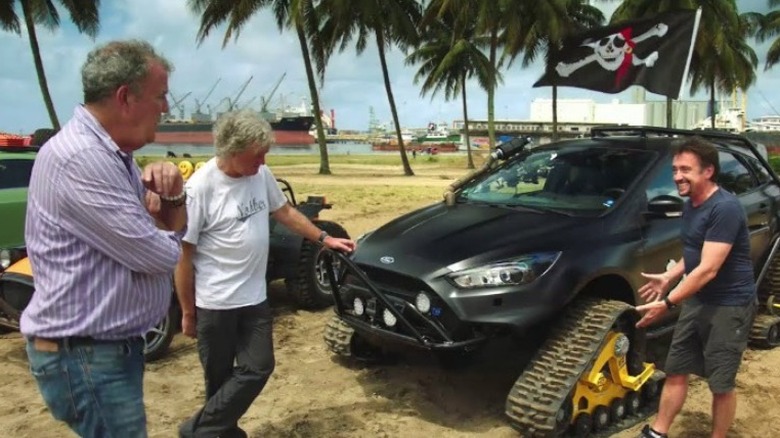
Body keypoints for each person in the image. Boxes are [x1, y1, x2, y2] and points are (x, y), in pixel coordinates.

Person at [20, 40, 186, 437]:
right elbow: (160, 255)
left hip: (97, 351)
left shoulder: (113, 155)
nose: (167, 108)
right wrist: (164, 224)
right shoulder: (84, 159)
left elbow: (164, 228)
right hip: (88, 356)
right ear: (125, 97)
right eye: (161, 96)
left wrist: (172, 199)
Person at [175, 109, 356, 438]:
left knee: (259, 367)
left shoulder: (260, 175)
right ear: (232, 149)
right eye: (257, 155)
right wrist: (188, 311)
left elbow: (285, 211)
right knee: (218, 381)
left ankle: (196, 431)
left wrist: (324, 238)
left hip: (254, 297)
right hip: (215, 303)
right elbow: (183, 256)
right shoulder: (200, 188)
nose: (262, 161)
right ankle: (224, 432)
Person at [635, 137, 757, 438]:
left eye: (685, 169)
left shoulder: (725, 208)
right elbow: (694, 253)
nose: (677, 176)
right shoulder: (691, 204)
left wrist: (668, 302)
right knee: (677, 368)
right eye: (675, 169)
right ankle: (658, 432)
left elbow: (708, 269)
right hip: (696, 299)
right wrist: (670, 276)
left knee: (720, 382)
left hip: (729, 305)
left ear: (708, 171)